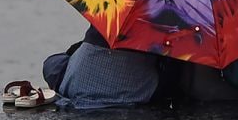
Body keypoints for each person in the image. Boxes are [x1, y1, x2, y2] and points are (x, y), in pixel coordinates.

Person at [43, 26, 178, 109]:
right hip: (136, 93)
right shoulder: (166, 23)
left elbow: (52, 67)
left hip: (79, 83)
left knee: (52, 64)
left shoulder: (112, 8)